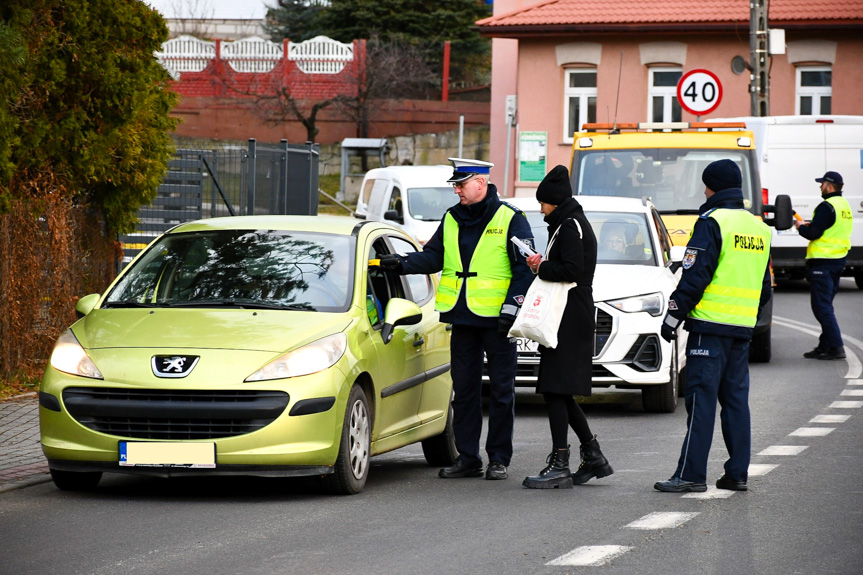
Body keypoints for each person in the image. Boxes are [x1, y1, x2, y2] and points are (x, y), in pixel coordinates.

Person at [379, 158, 535, 480]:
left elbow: (523, 271)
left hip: (498, 321)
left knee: (502, 392)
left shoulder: (511, 219)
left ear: (480, 182)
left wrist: (511, 309)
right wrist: (401, 263)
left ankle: (498, 459)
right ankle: (468, 457)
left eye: (461, 185)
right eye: (455, 185)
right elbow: (435, 257)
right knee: (464, 390)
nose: (456, 190)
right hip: (462, 318)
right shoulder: (452, 217)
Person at [654, 159, 772, 493]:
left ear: (714, 187)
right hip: (741, 329)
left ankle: (691, 475)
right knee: (735, 402)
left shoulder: (711, 222)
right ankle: (737, 473)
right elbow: (764, 286)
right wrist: (745, 315)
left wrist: (673, 316)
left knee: (701, 401)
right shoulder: (758, 228)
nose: (703, 191)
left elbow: (695, 275)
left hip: (709, 327)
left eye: (706, 185)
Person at [521, 165, 614, 489]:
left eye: (543, 203)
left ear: (555, 202)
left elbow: (572, 269)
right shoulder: (567, 222)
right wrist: (544, 264)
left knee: (555, 388)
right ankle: (592, 455)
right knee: (557, 388)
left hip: (570, 313)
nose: (541, 208)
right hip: (569, 312)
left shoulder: (570, 225)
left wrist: (541, 265)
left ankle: (561, 462)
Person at [795, 171, 852, 360]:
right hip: (838, 260)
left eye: (822, 184)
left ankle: (836, 347)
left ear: (829, 186)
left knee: (821, 307)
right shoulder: (844, 206)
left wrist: (800, 227)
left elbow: (813, 234)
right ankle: (824, 345)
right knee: (826, 305)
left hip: (822, 262)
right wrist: (812, 225)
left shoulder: (827, 206)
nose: (820, 187)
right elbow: (830, 228)